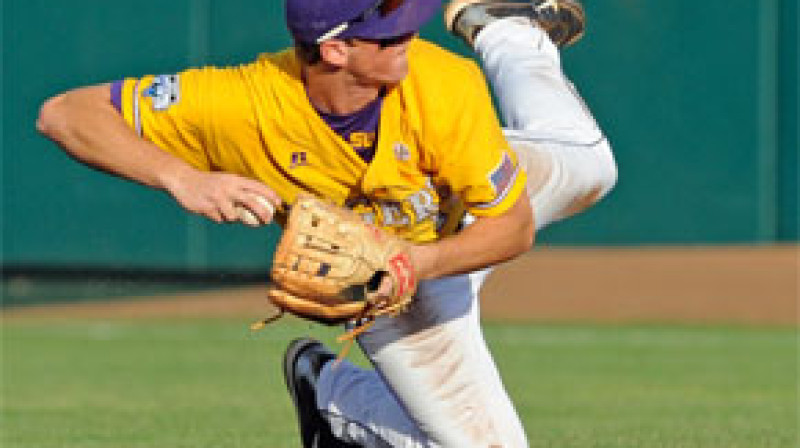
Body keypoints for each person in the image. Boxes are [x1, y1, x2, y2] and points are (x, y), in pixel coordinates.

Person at [37, 0, 616, 446]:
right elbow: (66, 113)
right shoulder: (242, 103)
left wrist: (412, 260)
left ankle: (507, 29)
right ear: (336, 50)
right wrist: (185, 178)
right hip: (392, 295)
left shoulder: (442, 85)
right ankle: (330, 391)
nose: (411, 34)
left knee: (593, 167)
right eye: (391, 32)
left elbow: (510, 229)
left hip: (456, 225)